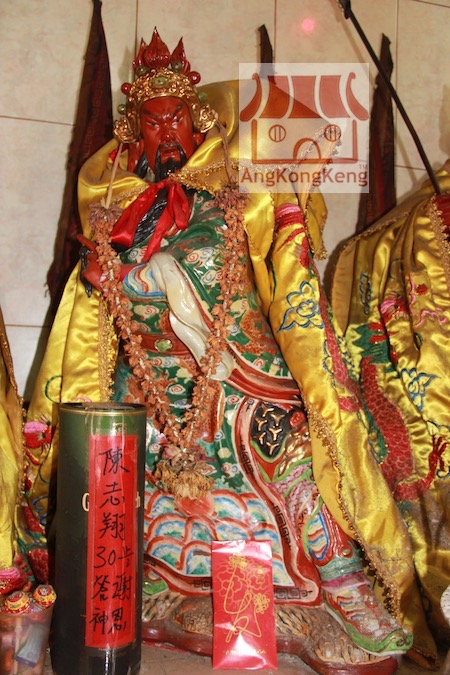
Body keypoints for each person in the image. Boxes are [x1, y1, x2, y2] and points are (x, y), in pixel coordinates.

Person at [22, 29, 430, 671]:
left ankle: (346, 588)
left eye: (176, 119)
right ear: (134, 131)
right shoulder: (114, 202)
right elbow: (99, 288)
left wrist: (139, 275)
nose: (166, 134)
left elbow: (208, 262)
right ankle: (142, 585)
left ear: (197, 122)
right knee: (113, 461)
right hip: (149, 374)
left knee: (291, 448)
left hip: (237, 367)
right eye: (152, 122)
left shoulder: (226, 194)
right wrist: (113, 275)